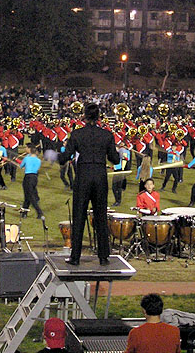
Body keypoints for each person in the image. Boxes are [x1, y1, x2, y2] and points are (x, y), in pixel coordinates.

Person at [59, 103, 119, 266]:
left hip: (83, 176)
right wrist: (116, 152)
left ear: (84, 116)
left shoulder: (77, 134)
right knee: (101, 216)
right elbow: (114, 159)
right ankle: (104, 256)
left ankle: (75, 257)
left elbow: (65, 157)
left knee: (79, 216)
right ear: (98, 117)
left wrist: (57, 155)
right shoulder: (106, 135)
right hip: (100, 175)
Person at [19, 144, 45, 220]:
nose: (25, 149)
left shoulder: (27, 158)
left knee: (30, 197)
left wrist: (24, 166)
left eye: (26, 148)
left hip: (28, 178)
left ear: (30, 150)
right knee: (27, 196)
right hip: (35, 178)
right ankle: (24, 213)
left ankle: (39, 212)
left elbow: (21, 166)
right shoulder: (38, 160)